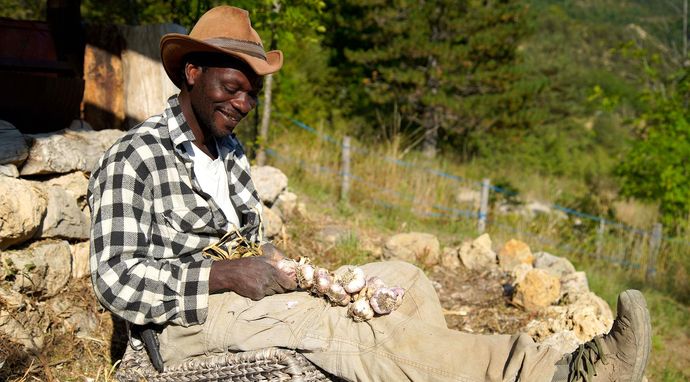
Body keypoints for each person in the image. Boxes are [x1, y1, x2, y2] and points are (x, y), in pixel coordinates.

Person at [88, 6, 651, 382]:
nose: (242, 104)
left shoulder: (228, 151)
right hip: (183, 324)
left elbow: (246, 244)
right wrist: (226, 276)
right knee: (342, 325)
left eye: (252, 94)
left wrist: (279, 267)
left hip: (245, 301)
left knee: (403, 278)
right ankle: (550, 373)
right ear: (191, 72)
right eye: (232, 87)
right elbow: (113, 279)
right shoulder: (136, 156)